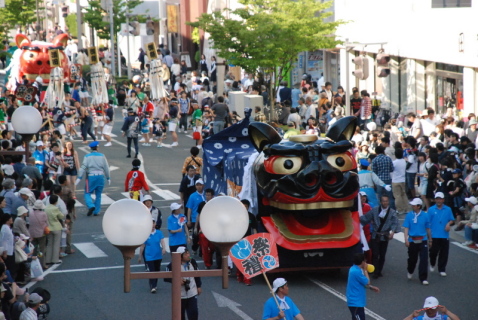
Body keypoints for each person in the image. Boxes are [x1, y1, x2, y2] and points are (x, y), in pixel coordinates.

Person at [359, 196, 401, 279]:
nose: (385, 203)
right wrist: (356, 217)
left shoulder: (392, 212)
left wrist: (392, 232)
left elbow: (394, 223)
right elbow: (366, 218)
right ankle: (376, 271)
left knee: (382, 255)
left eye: (386, 201)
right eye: (383, 201)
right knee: (375, 254)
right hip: (375, 235)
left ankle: (379, 270)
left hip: (384, 236)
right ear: (381, 202)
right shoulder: (375, 210)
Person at [165, 247, 201, 320]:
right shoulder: (172, 265)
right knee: (180, 316)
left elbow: (197, 274)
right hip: (179, 295)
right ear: (180, 256)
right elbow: (166, 277)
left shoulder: (192, 262)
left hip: (192, 292)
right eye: (186, 254)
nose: (188, 255)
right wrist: (176, 280)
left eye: (188, 253)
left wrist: (199, 286)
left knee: (194, 313)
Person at [75, 141, 111, 216]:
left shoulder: (87, 156)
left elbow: (83, 167)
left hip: (91, 177)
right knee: (98, 194)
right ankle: (96, 211)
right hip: (101, 176)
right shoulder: (102, 156)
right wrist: (108, 177)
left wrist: (79, 177)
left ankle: (91, 205)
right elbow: (106, 167)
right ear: (97, 148)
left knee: (87, 193)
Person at [403, 198, 431, 285]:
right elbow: (406, 227)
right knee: (412, 259)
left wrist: (430, 239)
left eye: (414, 205)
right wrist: (406, 239)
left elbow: (428, 228)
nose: (412, 206)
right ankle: (410, 270)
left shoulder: (425, 215)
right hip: (412, 240)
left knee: (424, 259)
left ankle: (423, 278)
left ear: (419, 206)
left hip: (423, 239)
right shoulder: (409, 215)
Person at [346, 253, 380, 320]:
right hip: (356, 302)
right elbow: (367, 282)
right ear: (362, 262)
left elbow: (361, 283)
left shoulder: (353, 269)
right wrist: (365, 270)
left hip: (355, 301)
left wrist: (371, 287)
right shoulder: (357, 272)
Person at [428, 192, 454, 277]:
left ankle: (442, 269)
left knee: (444, 253)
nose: (438, 201)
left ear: (443, 200)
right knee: (433, 252)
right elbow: (427, 223)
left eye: (440, 199)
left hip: (444, 235)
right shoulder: (431, 209)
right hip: (434, 235)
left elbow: (452, 220)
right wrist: (429, 237)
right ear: (435, 200)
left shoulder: (448, 209)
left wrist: (448, 224)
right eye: (437, 199)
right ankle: (432, 263)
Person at [138, 219, 166, 294]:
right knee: (152, 271)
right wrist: (140, 256)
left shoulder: (159, 233)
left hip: (158, 255)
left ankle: (155, 284)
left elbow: (162, 241)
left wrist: (164, 248)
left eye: (153, 224)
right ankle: (152, 286)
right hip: (149, 256)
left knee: (157, 270)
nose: (152, 226)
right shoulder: (146, 234)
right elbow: (142, 246)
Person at [45, 195, 64, 265]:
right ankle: (55, 259)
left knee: (49, 244)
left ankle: (47, 259)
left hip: (48, 228)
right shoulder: (55, 208)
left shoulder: (45, 208)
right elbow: (61, 216)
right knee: (56, 244)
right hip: (56, 227)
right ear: (56, 201)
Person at [29, 200, 49, 269]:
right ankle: (42, 264)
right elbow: (46, 223)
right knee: (42, 249)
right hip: (41, 233)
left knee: (33, 249)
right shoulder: (43, 213)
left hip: (32, 233)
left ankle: (33, 263)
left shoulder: (31, 213)